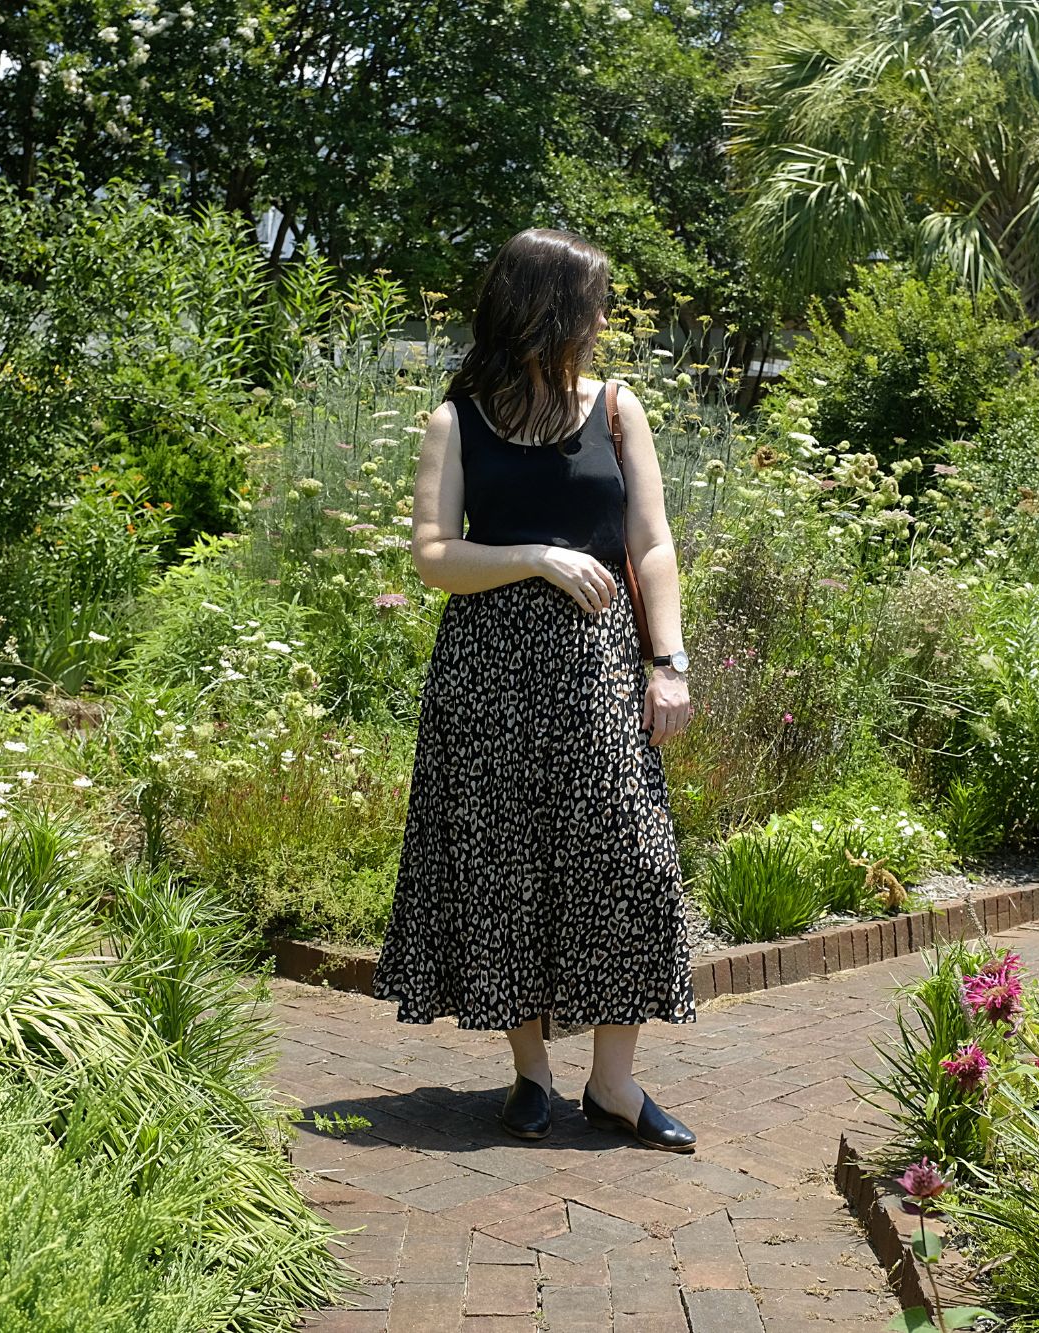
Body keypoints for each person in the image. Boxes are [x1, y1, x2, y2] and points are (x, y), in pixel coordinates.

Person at [370, 228, 699, 1153]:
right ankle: (531, 1072)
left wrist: (667, 662)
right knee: (503, 864)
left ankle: (615, 1084)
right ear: (547, 306)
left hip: (598, 666)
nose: (602, 318)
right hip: (488, 672)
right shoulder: (459, 418)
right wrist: (537, 558)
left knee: (628, 858)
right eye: (592, 299)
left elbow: (654, 544)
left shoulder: (619, 408)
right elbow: (433, 556)